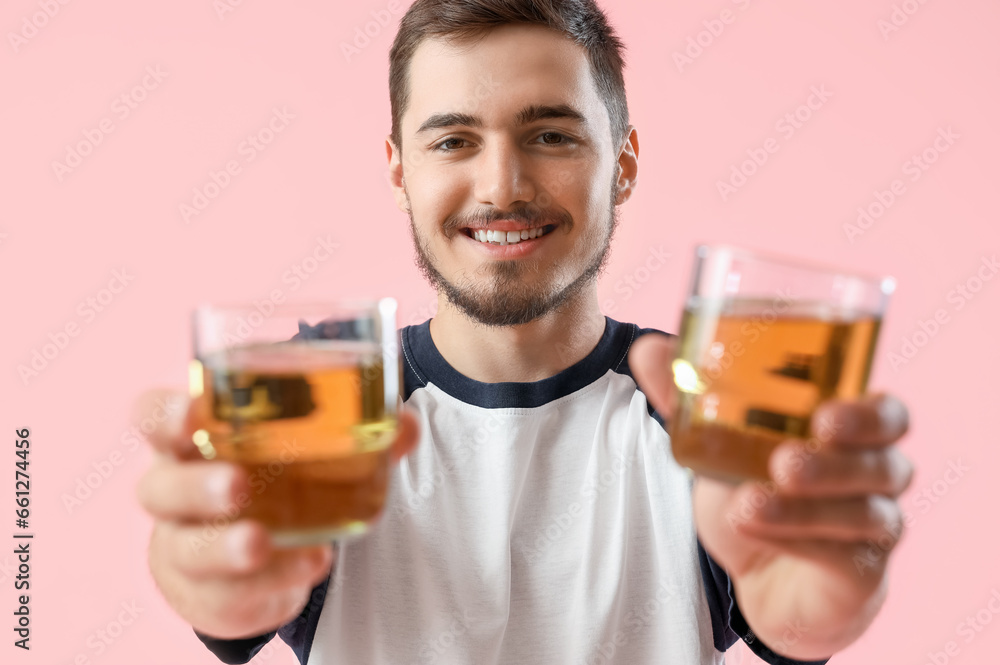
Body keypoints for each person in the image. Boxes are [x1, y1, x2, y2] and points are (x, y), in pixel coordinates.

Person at [135, 1, 914, 663]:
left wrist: (815, 598)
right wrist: (210, 558)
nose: (502, 186)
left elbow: (797, 591)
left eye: (551, 135)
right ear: (401, 170)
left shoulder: (705, 414)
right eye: (452, 140)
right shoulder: (327, 402)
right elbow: (222, 559)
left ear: (624, 162)